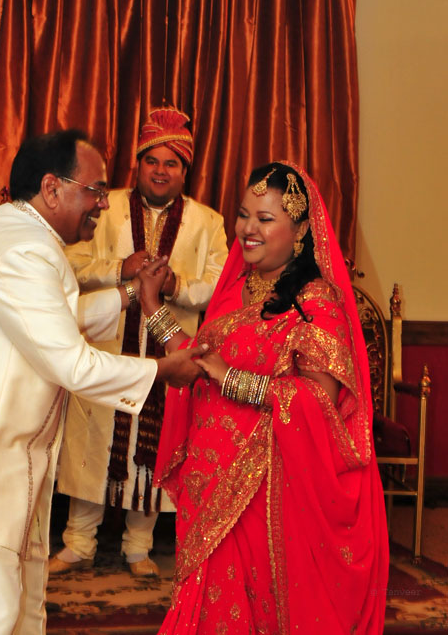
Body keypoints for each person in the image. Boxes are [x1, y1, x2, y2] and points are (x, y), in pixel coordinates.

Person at [0, 129, 206, 635]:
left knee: (18, 617)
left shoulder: (19, 234)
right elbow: (72, 363)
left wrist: (131, 295)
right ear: (52, 188)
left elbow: (57, 321)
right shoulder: (25, 250)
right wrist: (163, 370)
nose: (103, 204)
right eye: (95, 191)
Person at [139, 162, 389, 634]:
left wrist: (233, 379)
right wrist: (153, 307)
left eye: (265, 218)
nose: (248, 229)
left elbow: (318, 400)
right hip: (208, 481)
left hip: (264, 492)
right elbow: (197, 363)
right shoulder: (237, 289)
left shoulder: (316, 303)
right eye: (243, 214)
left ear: (300, 231)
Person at [50, 107, 228, 577]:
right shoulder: (102, 207)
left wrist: (176, 285)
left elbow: (220, 284)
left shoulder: (207, 222)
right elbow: (70, 264)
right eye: (152, 160)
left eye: (171, 163)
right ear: (138, 164)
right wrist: (120, 270)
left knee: (156, 445)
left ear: (185, 171)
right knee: (92, 444)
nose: (160, 171)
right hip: (107, 347)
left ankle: (138, 546)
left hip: (169, 350)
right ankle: (78, 542)